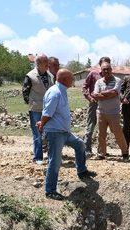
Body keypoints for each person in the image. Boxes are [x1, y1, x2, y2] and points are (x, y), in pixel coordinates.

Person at [37, 69, 96, 200]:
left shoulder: (61, 91)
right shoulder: (55, 93)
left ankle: (82, 171)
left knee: (80, 145)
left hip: (64, 132)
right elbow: (47, 113)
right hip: (55, 132)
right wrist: (42, 124)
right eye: (72, 78)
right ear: (64, 80)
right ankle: (50, 190)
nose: (73, 81)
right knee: (55, 161)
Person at [92, 62, 129, 160]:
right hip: (101, 112)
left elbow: (114, 93)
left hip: (114, 112)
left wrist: (102, 94)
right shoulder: (98, 82)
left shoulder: (118, 80)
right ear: (101, 71)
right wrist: (106, 94)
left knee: (118, 133)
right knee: (101, 134)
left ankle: (125, 152)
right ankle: (101, 153)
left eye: (108, 69)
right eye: (104, 69)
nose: (106, 71)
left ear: (111, 70)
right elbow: (95, 95)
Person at [22, 54, 54, 165]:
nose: (47, 64)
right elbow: (25, 92)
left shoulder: (49, 75)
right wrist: (31, 103)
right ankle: (38, 158)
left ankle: (51, 157)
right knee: (37, 134)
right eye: (45, 62)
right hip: (36, 109)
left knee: (50, 132)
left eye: (47, 62)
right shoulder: (30, 76)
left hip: (48, 109)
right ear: (38, 63)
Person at [82, 56, 111, 156]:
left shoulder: (111, 76)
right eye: (104, 64)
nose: (105, 67)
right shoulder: (93, 74)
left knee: (103, 128)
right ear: (100, 64)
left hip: (106, 105)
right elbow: (85, 87)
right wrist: (90, 98)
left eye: (108, 64)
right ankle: (87, 149)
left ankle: (102, 151)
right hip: (94, 103)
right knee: (90, 125)